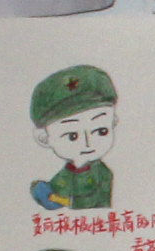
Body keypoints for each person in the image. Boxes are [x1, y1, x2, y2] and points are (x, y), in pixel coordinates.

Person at [28, 64, 119, 211]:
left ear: (113, 122)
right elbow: (57, 192)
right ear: (44, 138)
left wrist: (62, 200)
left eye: (101, 131)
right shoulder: (65, 174)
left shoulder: (102, 173)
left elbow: (93, 203)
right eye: (72, 136)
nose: (88, 143)